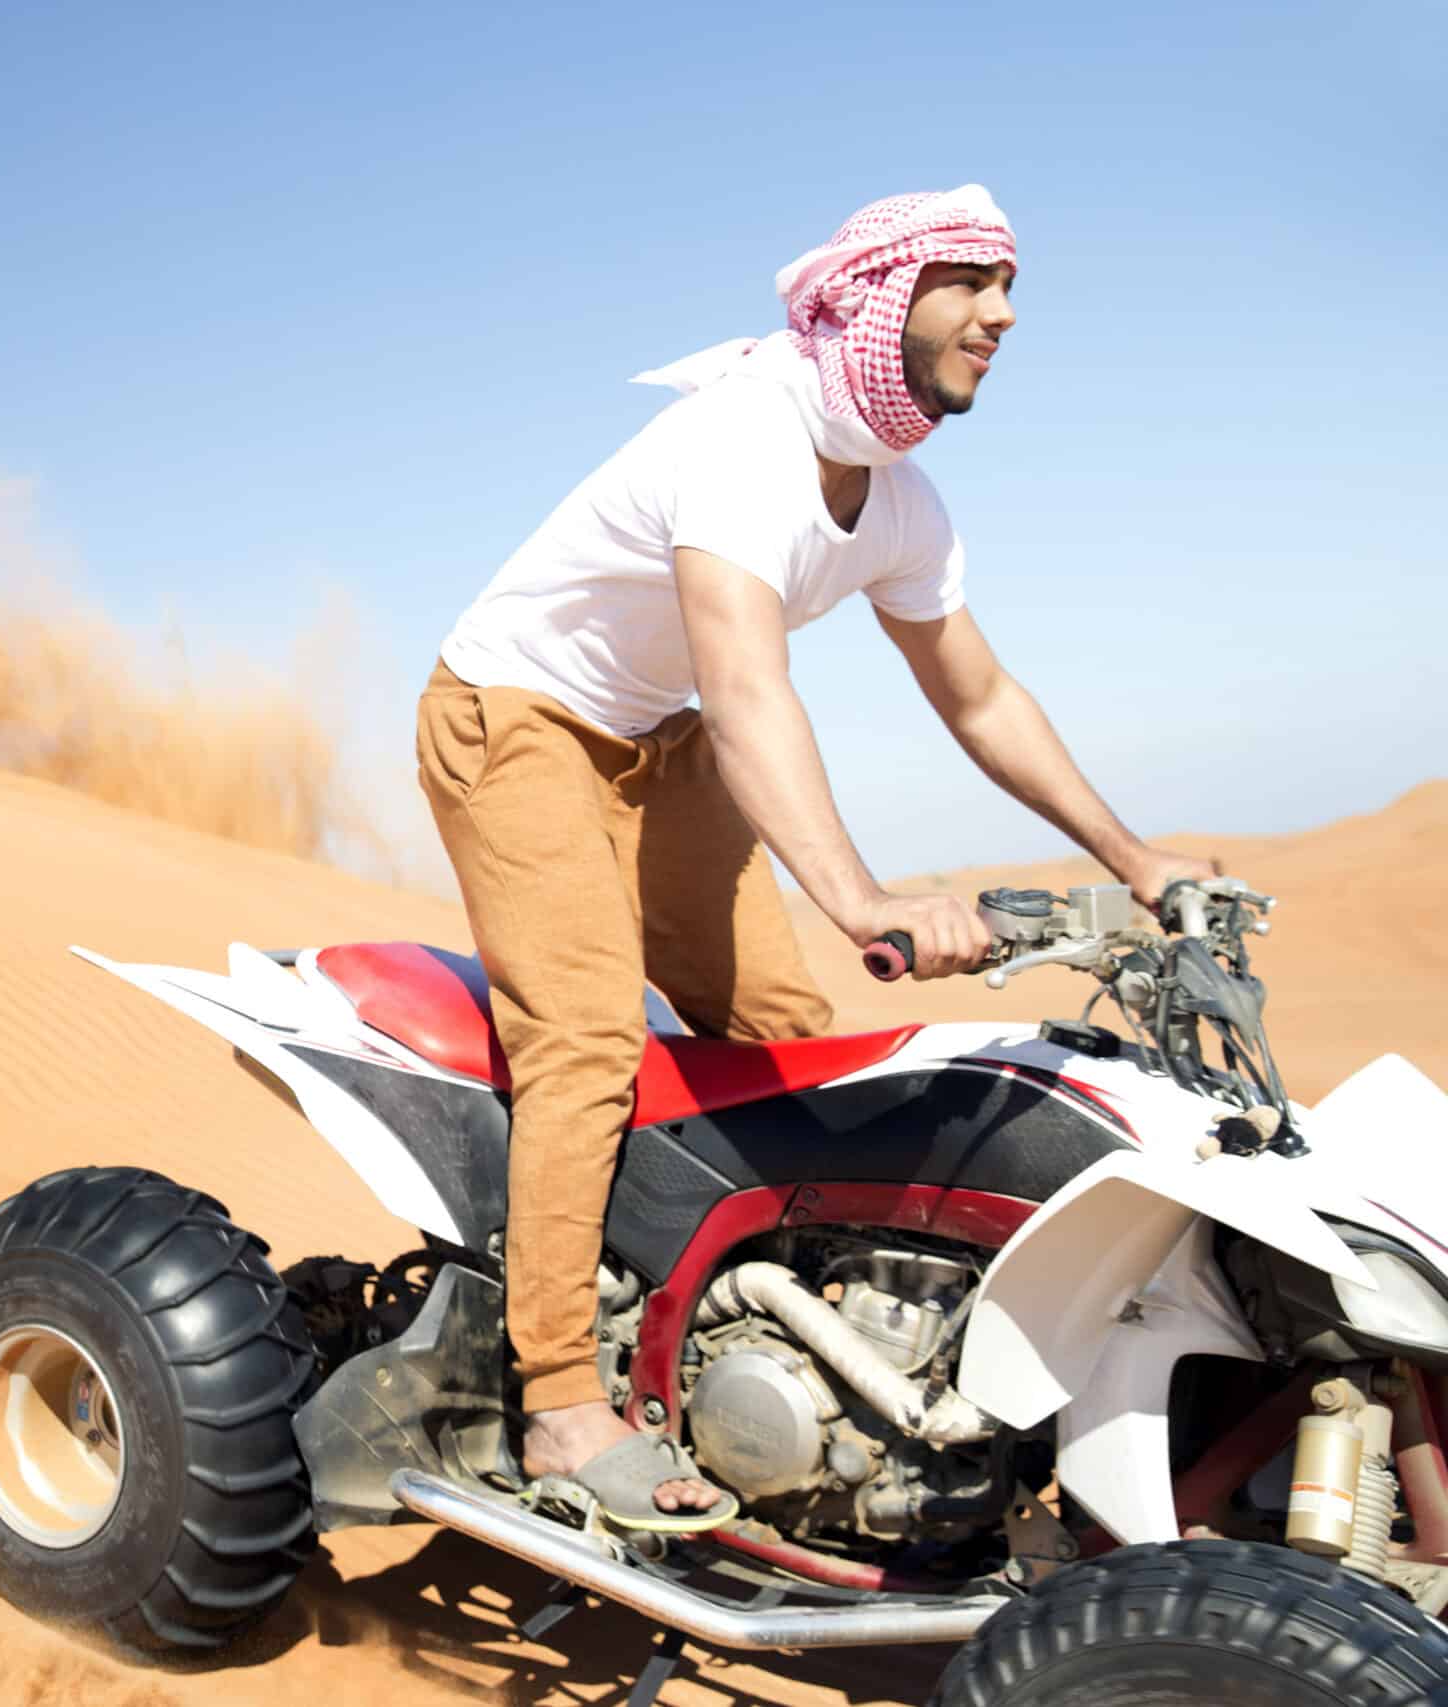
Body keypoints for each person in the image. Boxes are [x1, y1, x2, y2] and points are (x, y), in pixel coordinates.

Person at [414, 186, 1216, 1530]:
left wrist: (1135, 858)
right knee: (588, 1035)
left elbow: (980, 698)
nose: (1003, 313)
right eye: (969, 283)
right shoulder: (742, 446)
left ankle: (741, 1337)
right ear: (879, 298)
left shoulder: (904, 504)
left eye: (1010, 284)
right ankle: (559, 1399)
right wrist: (853, 893)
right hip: (520, 721)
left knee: (776, 1030)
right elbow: (747, 688)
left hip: (658, 741)